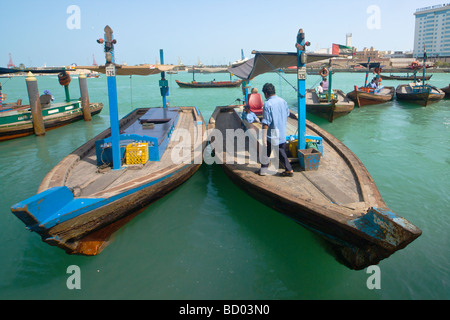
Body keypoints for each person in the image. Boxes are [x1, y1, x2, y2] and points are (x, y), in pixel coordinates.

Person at [258, 83, 293, 177]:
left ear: (265, 93)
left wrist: (264, 137)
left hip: (272, 133)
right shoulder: (283, 101)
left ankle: (264, 170)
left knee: (267, 151)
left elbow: (266, 122)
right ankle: (288, 169)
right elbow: (287, 114)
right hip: (282, 131)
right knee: (280, 151)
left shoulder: (267, 104)